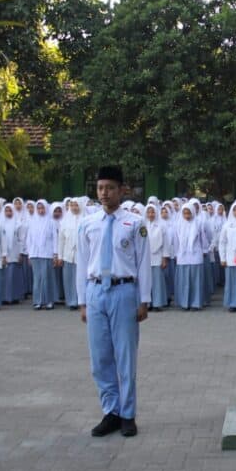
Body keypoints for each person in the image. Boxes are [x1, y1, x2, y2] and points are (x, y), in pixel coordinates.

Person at [76, 166, 151, 437]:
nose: (104, 193)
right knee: (100, 358)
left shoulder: (134, 223)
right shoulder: (88, 223)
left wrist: (144, 300)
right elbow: (82, 263)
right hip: (96, 292)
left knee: (125, 357)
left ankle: (128, 414)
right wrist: (82, 302)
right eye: (100, 188)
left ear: (122, 190)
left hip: (124, 291)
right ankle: (111, 411)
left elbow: (144, 263)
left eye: (109, 188)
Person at [174, 202, 207, 311]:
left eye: (189, 213)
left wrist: (205, 250)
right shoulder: (178, 224)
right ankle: (184, 303)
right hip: (182, 256)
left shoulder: (198, 223)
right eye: (185, 213)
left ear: (193, 212)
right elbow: (176, 240)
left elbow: (203, 239)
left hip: (195, 255)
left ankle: (195, 303)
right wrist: (176, 253)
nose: (187, 216)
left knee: (195, 281)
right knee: (184, 281)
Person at [26, 200, 58, 310]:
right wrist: (29, 254)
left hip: (47, 254)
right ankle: (37, 301)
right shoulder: (32, 222)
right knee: (37, 278)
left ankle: (49, 301)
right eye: (38, 208)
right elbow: (29, 239)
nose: (40, 210)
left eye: (42, 208)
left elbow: (55, 238)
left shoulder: (51, 221)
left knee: (47, 278)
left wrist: (55, 253)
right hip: (35, 254)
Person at [145, 203, 170, 311]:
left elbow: (166, 243)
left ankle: (157, 303)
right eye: (149, 212)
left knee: (157, 282)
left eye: (153, 212)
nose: (151, 214)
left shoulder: (162, 226)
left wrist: (165, 258)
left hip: (158, 257)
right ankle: (148, 304)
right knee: (146, 281)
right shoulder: (143, 225)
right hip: (146, 258)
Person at [2, 204, 26, 305]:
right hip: (4, 253)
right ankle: (5, 297)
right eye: (6, 211)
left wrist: (21, 252)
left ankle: (15, 297)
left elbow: (21, 239)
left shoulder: (18, 224)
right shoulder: (1, 224)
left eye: (10, 211)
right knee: (5, 276)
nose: (8, 213)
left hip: (15, 252)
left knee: (13, 276)